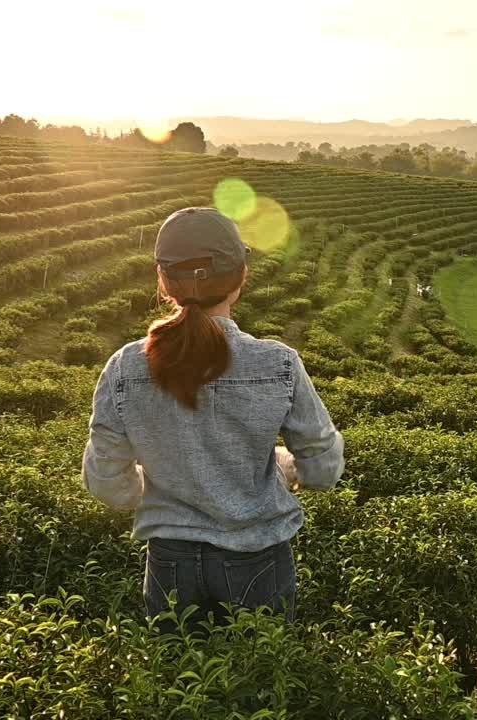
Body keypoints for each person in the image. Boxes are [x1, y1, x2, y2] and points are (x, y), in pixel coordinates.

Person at [82, 206, 344, 635]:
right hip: (258, 560)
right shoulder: (277, 363)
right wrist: (282, 467)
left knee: (178, 685)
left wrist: (169, 481)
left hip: (169, 563)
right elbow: (323, 469)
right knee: (262, 684)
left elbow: (108, 483)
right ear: (240, 277)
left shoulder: (125, 367)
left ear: (163, 282)